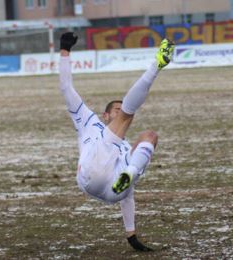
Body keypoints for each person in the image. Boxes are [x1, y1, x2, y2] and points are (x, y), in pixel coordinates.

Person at [58, 32, 174, 251]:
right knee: (126, 133)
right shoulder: (86, 120)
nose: (122, 113)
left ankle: (131, 173)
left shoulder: (124, 148)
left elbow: (127, 198)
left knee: (150, 136)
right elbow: (66, 87)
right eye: (117, 110)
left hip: (114, 190)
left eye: (123, 110)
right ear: (105, 115)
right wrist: (65, 49)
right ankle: (156, 66)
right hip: (89, 174)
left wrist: (131, 235)